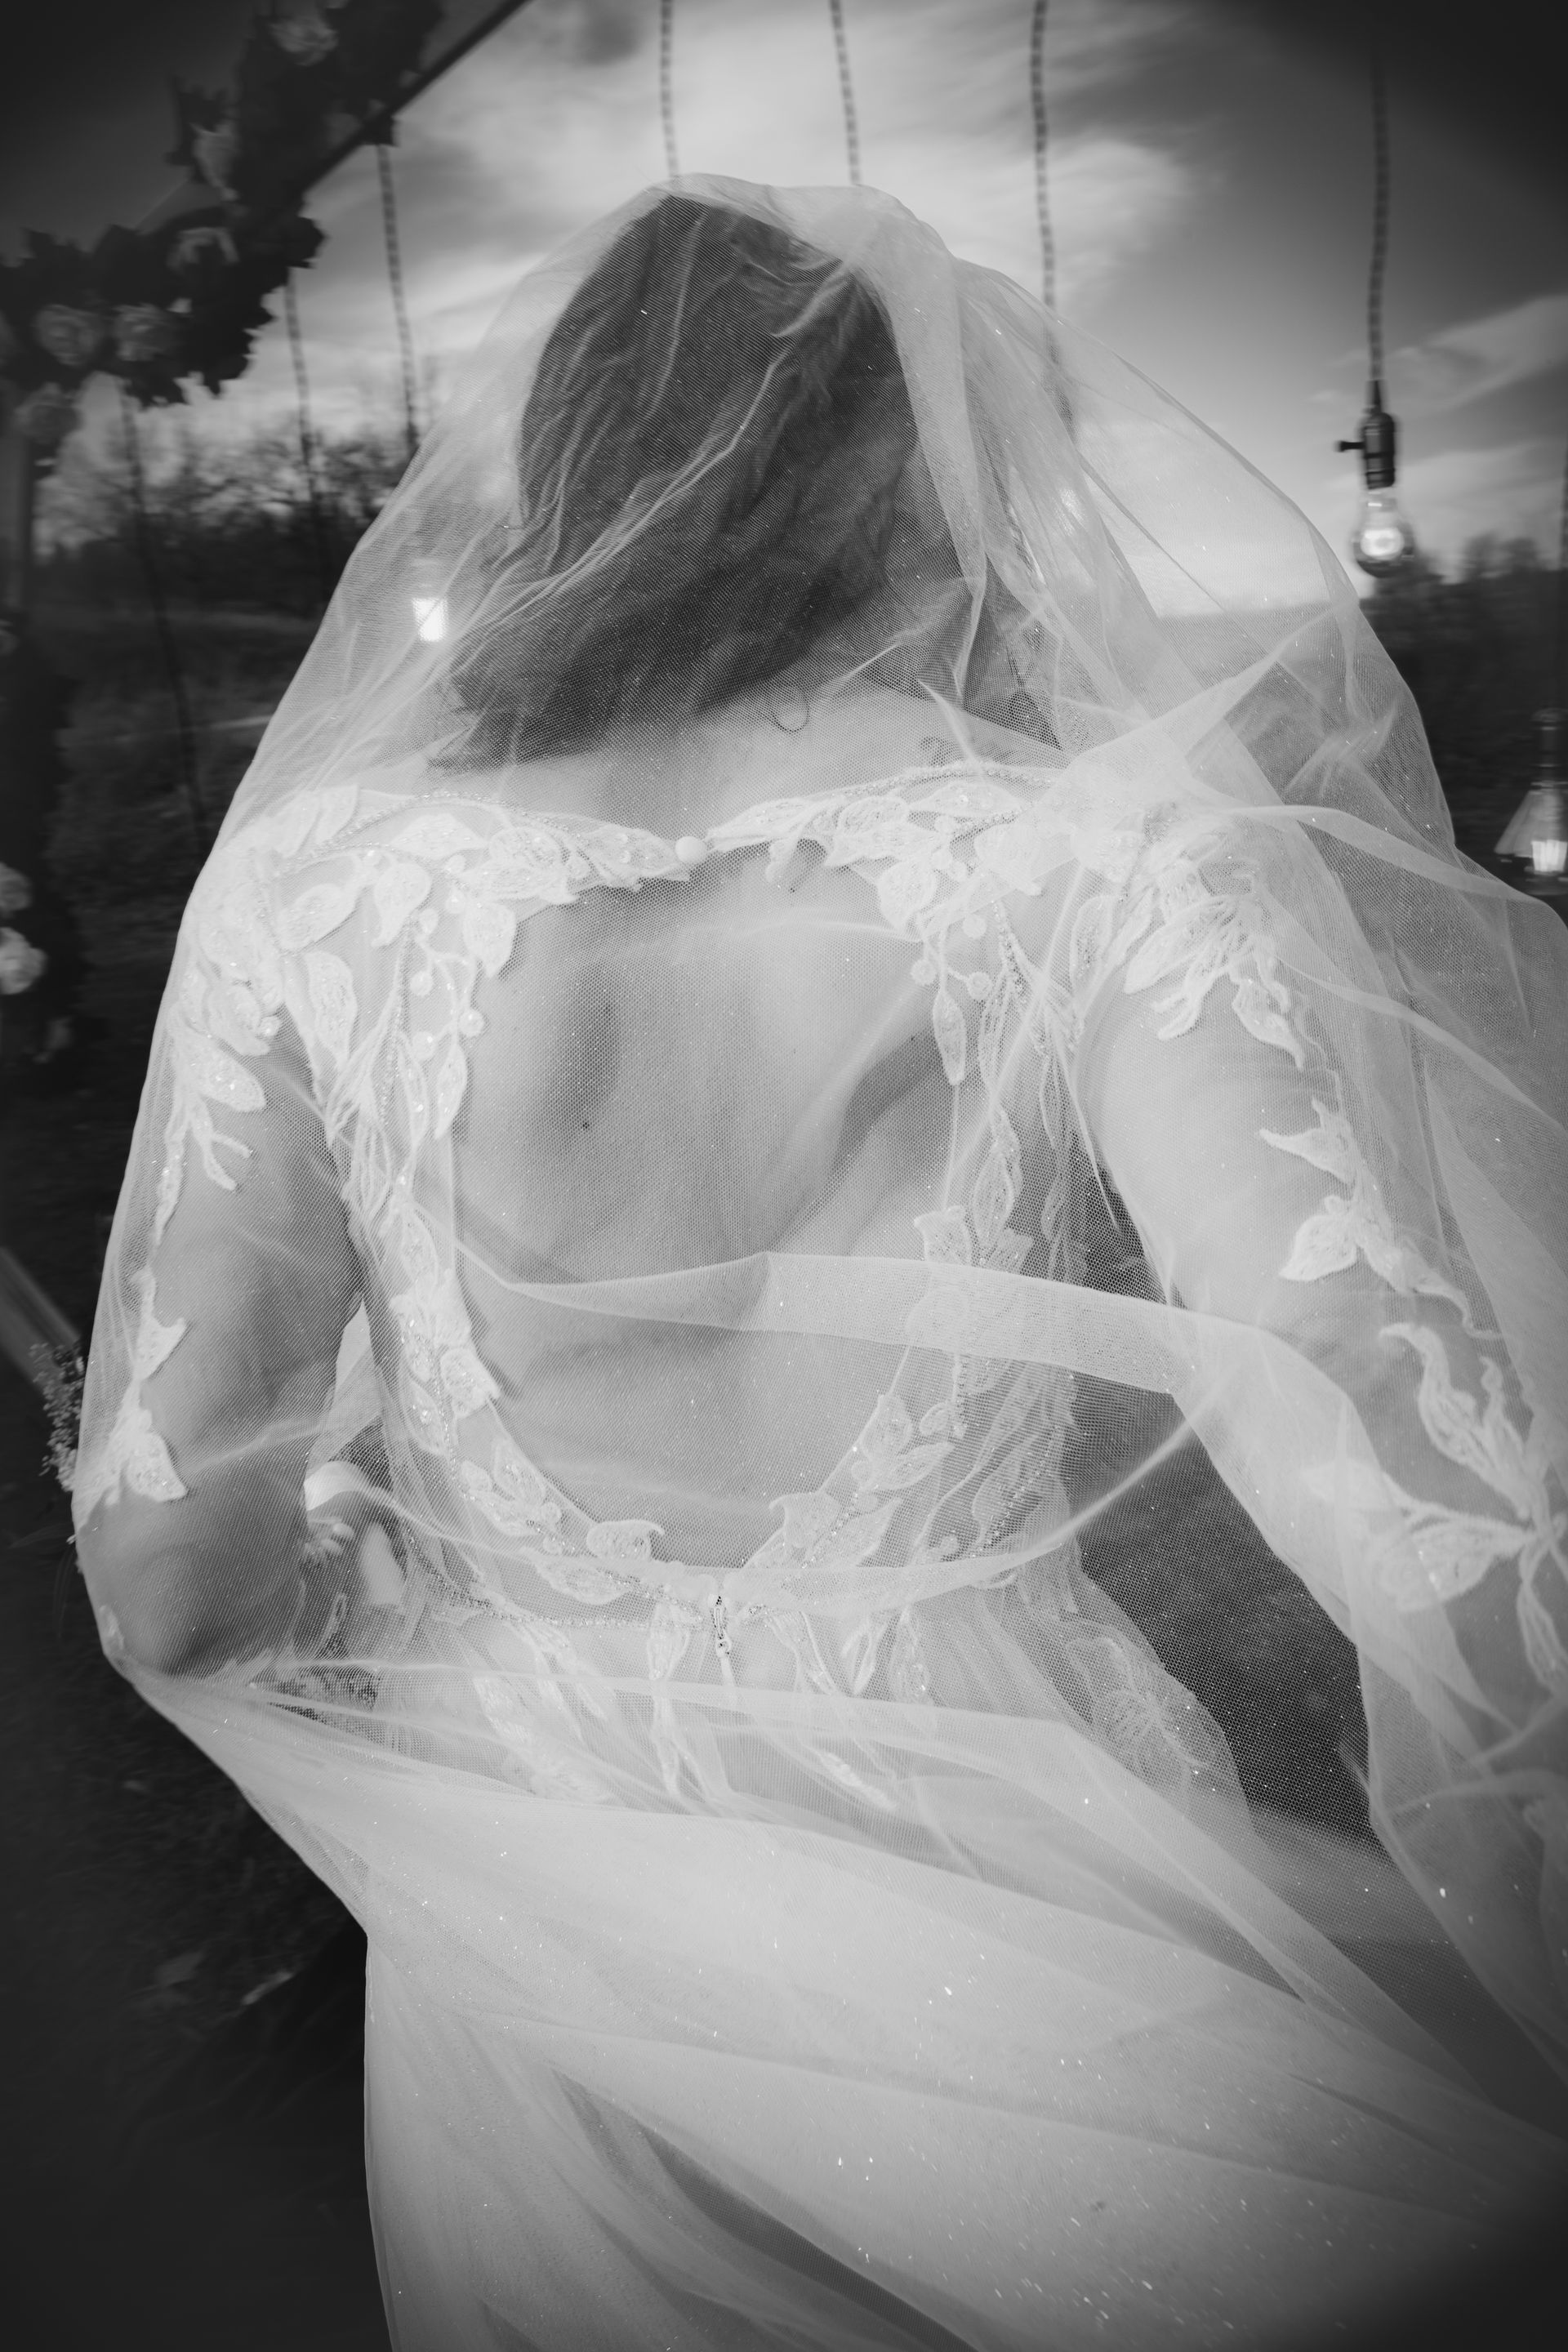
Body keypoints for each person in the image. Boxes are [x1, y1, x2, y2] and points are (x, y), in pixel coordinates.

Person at [74, 181, 1567, 2349]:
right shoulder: (1089, 847)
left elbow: (168, 1570)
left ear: (570, 460)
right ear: (930, 474)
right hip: (1021, 1859)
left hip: (536, 1923)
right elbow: (1352, 1379)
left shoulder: (312, 893)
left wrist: (387, 1623)